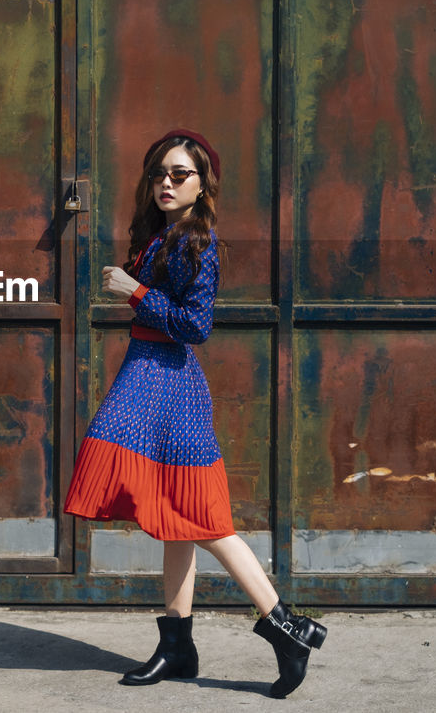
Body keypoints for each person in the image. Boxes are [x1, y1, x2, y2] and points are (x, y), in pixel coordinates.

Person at [63, 130, 326, 699]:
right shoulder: (164, 236)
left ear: (202, 184)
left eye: (180, 174)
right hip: (150, 375)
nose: (166, 182)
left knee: (202, 518)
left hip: (170, 386)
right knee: (170, 516)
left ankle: (286, 625)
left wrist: (134, 291)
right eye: (159, 172)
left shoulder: (196, 243)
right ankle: (177, 644)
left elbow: (197, 325)